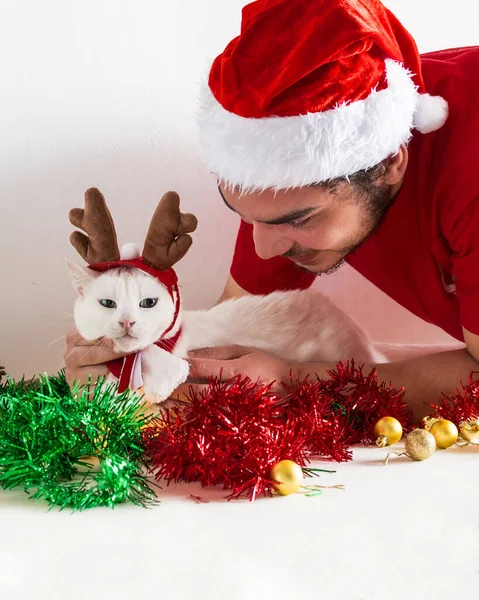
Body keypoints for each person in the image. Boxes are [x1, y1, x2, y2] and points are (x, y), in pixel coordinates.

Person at [65, 0, 479, 420]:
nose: (262, 250)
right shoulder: (278, 184)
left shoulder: (469, 171)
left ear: (391, 160)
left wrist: (294, 381)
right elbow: (231, 336)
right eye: (245, 215)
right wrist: (124, 369)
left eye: (299, 219)